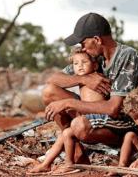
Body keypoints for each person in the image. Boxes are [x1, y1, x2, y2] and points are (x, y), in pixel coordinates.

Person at [42, 12, 138, 174]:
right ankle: (78, 154)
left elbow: (114, 108)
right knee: (50, 92)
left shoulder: (127, 56)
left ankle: (83, 136)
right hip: (100, 117)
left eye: (84, 43)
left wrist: (68, 103)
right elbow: (53, 78)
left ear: (97, 40)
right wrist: (83, 80)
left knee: (79, 125)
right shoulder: (93, 56)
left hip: (127, 124)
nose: (82, 48)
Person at [28, 47, 105, 175]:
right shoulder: (83, 75)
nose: (80, 66)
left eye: (84, 62)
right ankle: (47, 164)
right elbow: (52, 78)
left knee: (67, 133)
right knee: (65, 134)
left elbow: (97, 106)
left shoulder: (97, 77)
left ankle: (66, 163)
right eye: (76, 64)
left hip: (96, 119)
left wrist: (71, 106)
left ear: (95, 65)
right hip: (86, 115)